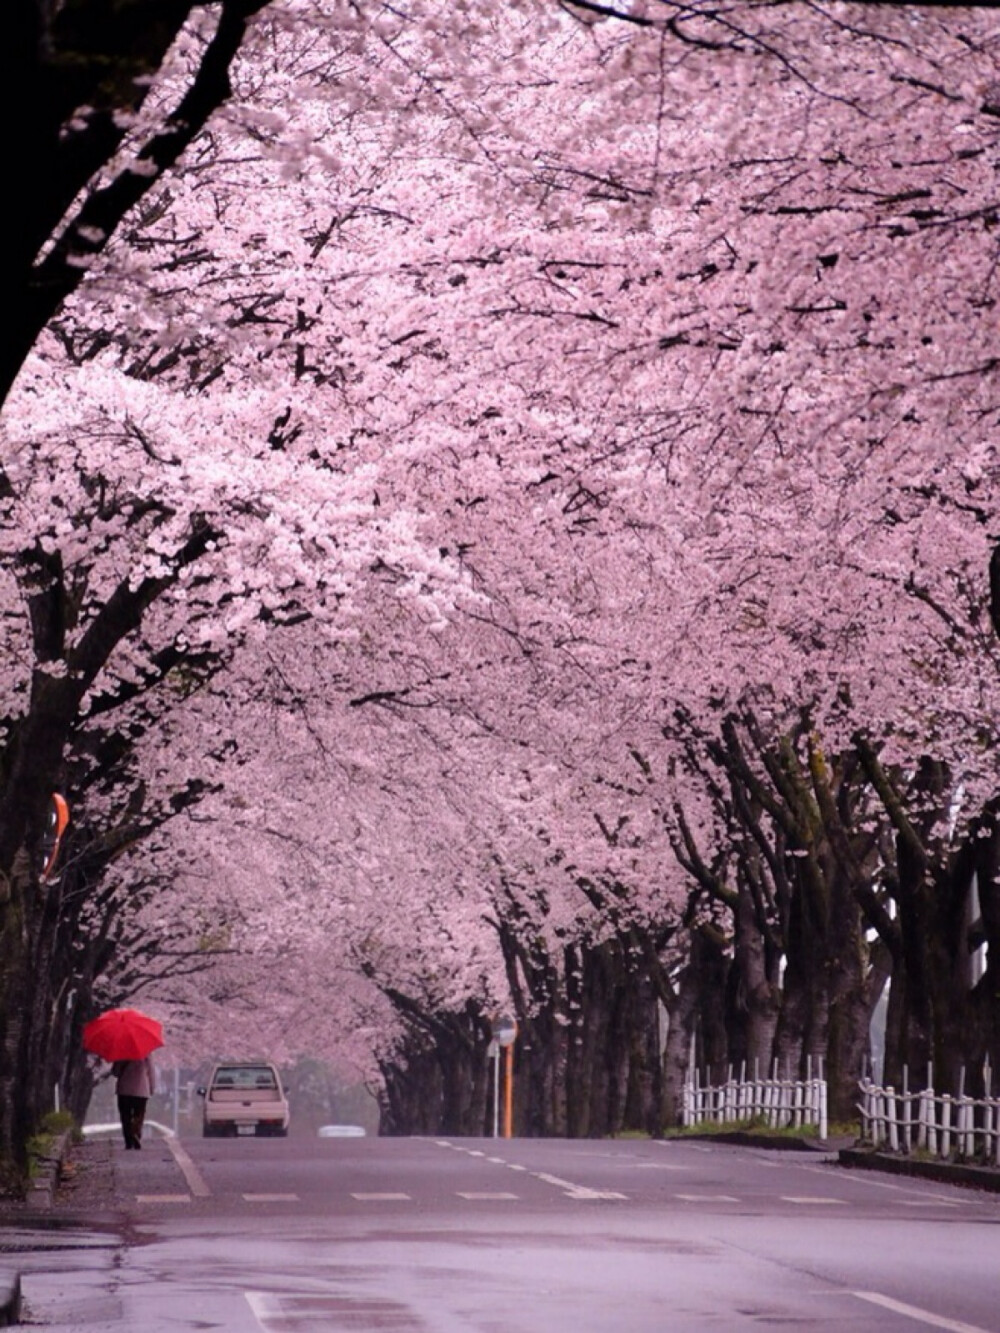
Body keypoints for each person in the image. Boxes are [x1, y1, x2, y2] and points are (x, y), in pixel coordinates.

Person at [112, 1056, 156, 1149]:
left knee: (125, 1116)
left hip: (124, 1090)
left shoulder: (122, 1052)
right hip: (141, 1090)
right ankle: (136, 1132)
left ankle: (128, 1141)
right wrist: (152, 1088)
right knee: (139, 1115)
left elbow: (115, 1072)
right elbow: (151, 1072)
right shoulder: (146, 1053)